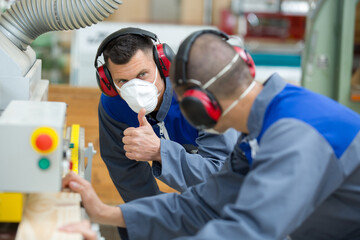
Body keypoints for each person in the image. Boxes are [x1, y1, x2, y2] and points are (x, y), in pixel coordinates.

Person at [64, 29, 360, 240]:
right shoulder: (257, 132)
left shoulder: (294, 133)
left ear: (198, 103)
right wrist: (106, 213)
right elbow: (204, 203)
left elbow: (247, 230)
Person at [94, 27, 242, 201]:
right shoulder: (113, 106)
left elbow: (222, 176)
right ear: (109, 83)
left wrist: (159, 151)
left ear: (162, 64)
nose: (135, 88)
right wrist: (155, 219)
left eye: (142, 74)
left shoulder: (204, 90)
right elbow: (128, 177)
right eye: (123, 81)